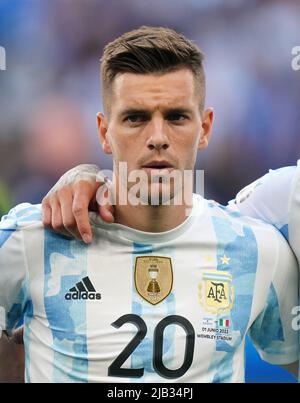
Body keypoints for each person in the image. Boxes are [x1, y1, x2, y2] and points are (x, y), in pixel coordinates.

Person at [0, 26, 298, 383]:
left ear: (205, 128)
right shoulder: (29, 240)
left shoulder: (260, 250)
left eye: (176, 117)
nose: (157, 138)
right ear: (103, 132)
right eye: (135, 118)